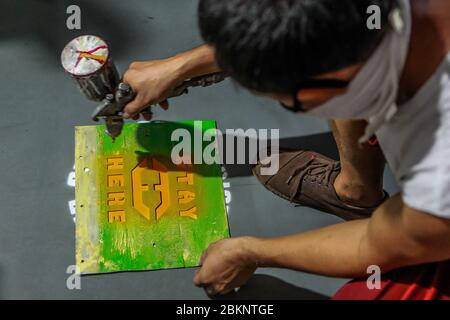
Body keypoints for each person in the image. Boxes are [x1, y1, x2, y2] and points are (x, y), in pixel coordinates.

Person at [122, 0, 450, 299]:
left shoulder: (437, 176)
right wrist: (181, 67)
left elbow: (375, 244)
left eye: (287, 102)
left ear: (316, 89)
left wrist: (250, 252)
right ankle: (356, 192)